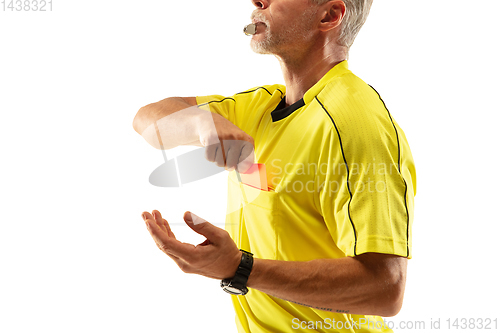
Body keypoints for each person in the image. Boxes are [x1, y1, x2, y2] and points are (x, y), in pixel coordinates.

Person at [133, 0, 416, 332]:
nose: (257, 1)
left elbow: (385, 290)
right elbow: (146, 120)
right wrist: (199, 123)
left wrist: (240, 269)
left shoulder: (357, 123)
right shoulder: (263, 106)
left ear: (329, 15)